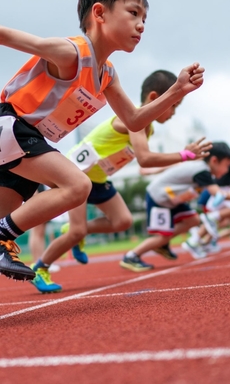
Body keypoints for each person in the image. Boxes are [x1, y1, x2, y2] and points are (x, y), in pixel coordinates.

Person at [0, 0, 205, 326]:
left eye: (145, 19)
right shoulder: (73, 52)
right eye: (134, 13)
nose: (141, 25)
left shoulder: (107, 75)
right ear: (100, 13)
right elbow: (4, 34)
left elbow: (134, 120)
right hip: (11, 126)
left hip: (26, 141)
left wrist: (177, 90)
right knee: (77, 186)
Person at [30, 70, 211, 293]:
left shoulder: (148, 125)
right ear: (154, 98)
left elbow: (143, 159)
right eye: (174, 104)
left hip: (98, 178)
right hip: (76, 174)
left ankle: (79, 230)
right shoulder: (134, 117)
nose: (174, 112)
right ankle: (40, 268)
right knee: (76, 232)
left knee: (122, 221)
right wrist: (184, 155)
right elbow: (144, 159)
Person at [120, 142, 230, 271]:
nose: (227, 171)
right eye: (227, 166)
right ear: (214, 161)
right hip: (158, 196)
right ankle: (131, 256)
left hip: (172, 198)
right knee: (162, 235)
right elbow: (218, 194)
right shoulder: (202, 171)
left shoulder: (201, 168)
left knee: (193, 220)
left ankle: (161, 244)